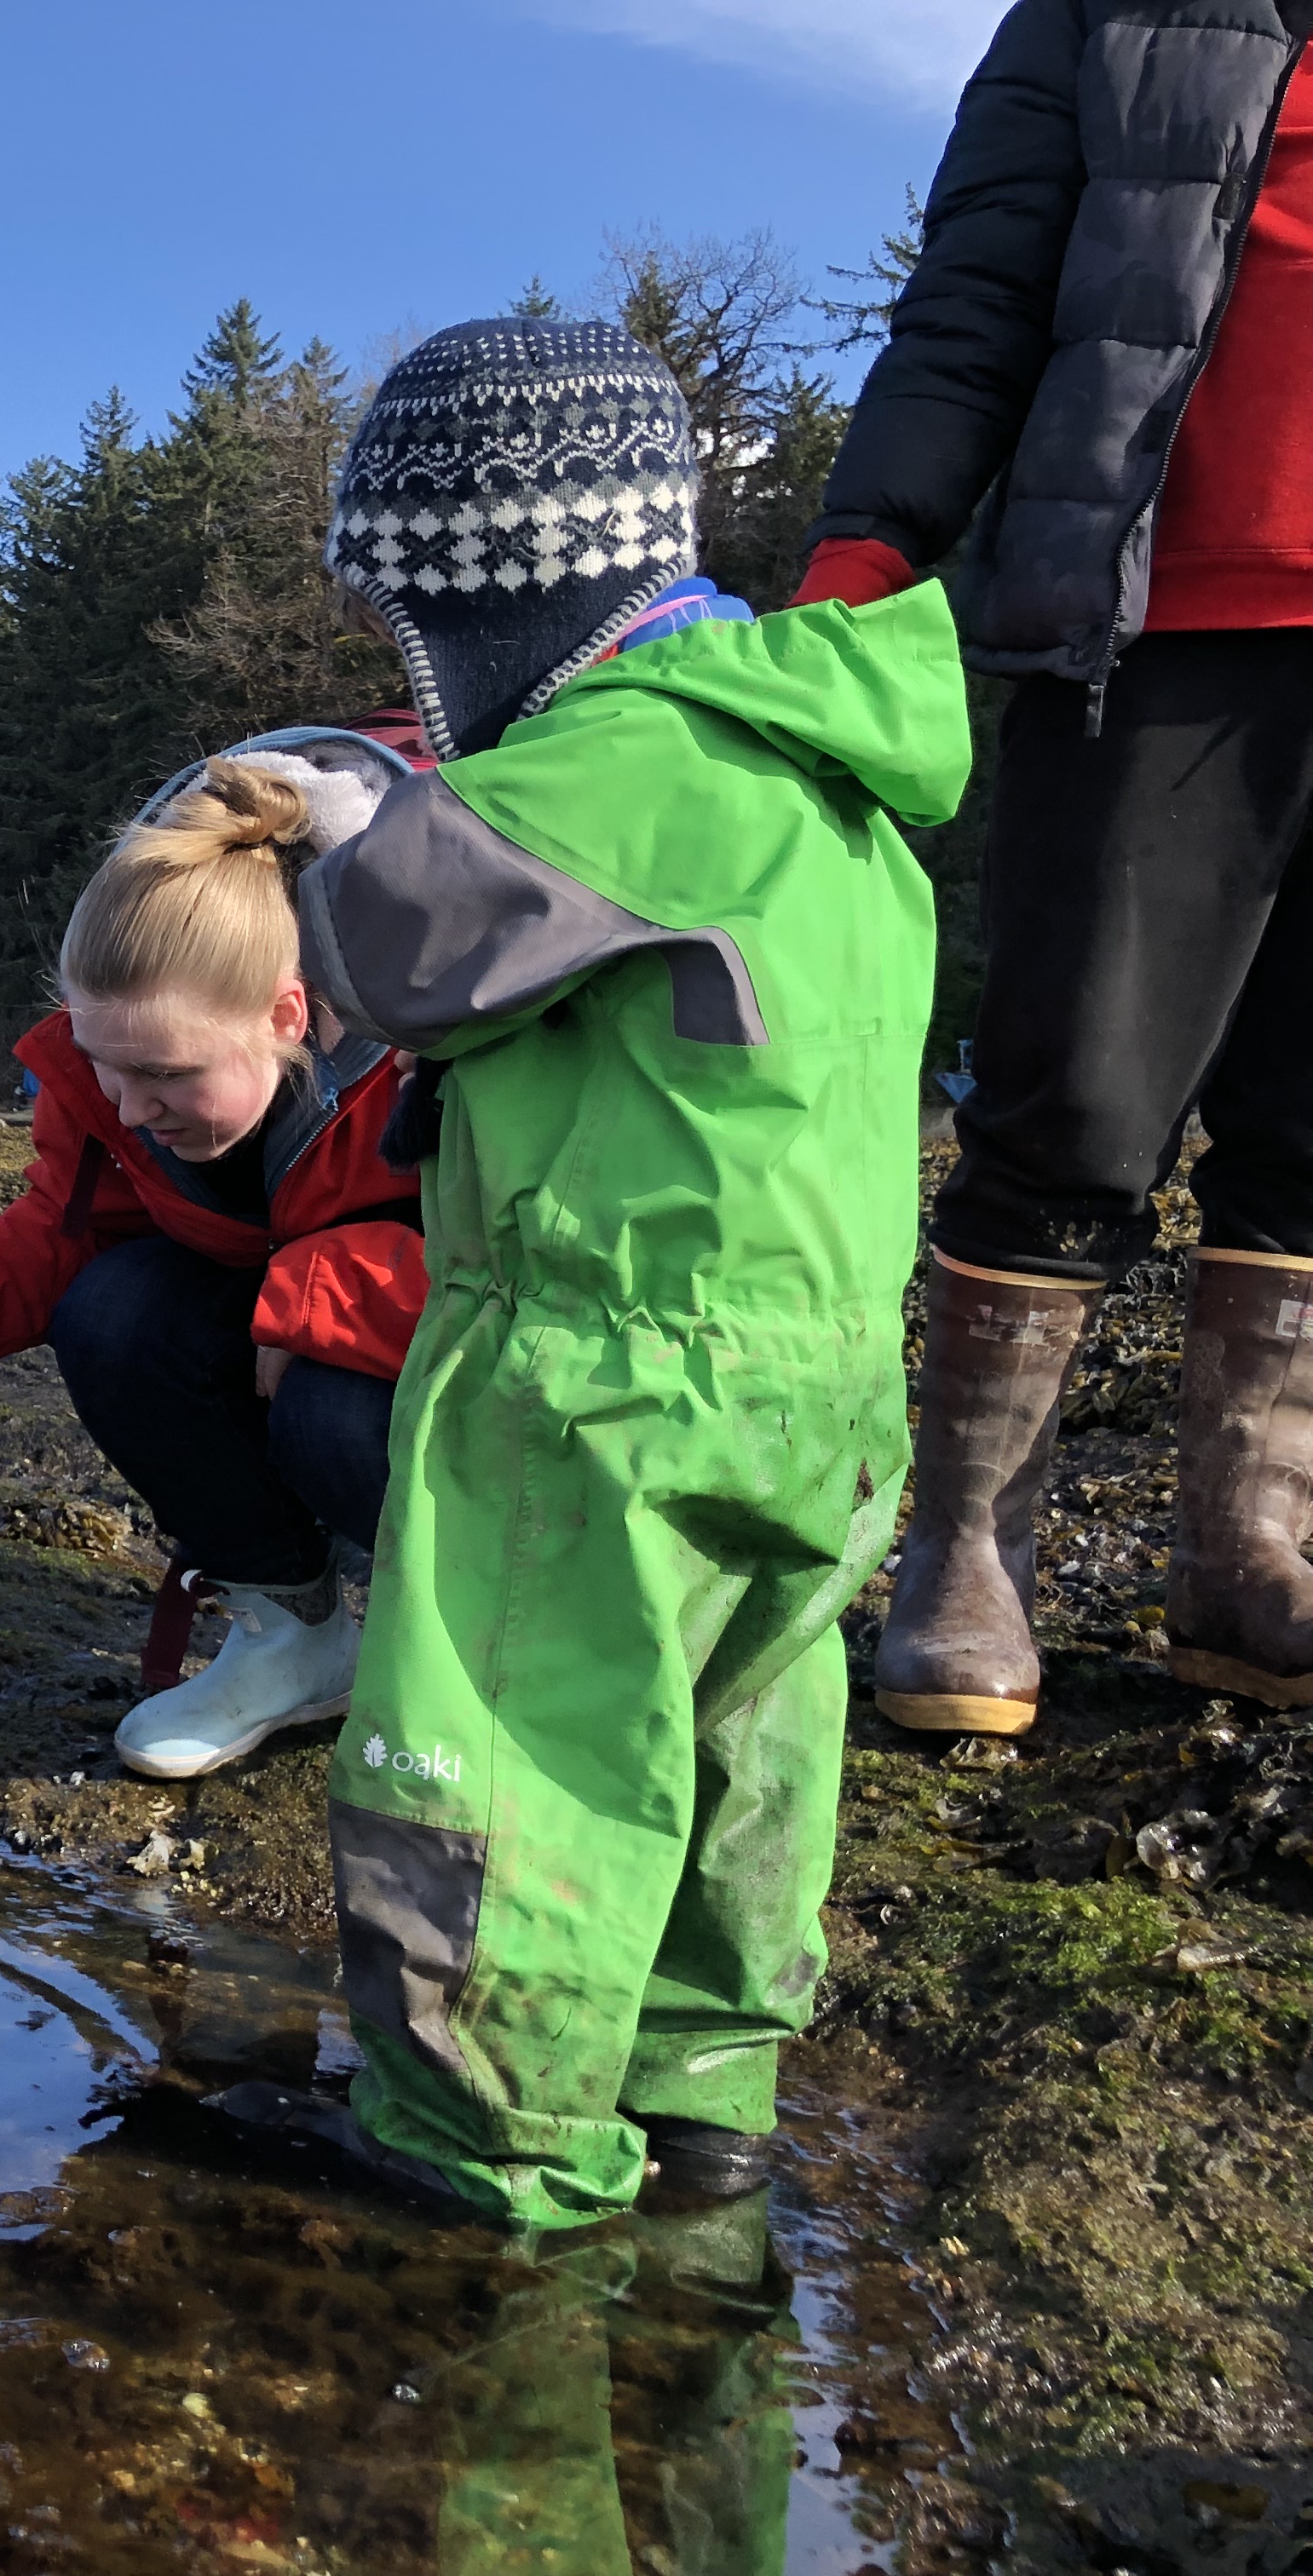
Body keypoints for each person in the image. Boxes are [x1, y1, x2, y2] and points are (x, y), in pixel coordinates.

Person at [213, 318, 965, 2229]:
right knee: (742, 1739)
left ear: (501, 585)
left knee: (516, 1752)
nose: (415, 671)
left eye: (411, 622)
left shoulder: (619, 754)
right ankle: (704, 2097)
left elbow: (395, 956)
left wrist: (316, 797)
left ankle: (483, 2145)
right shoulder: (822, 767)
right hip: (824, 1382)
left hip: (602, 1366)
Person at [797, 0, 1313, 1730]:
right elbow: (981, 294)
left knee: (1310, 1136)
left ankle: (1254, 1568)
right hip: (1164, 626)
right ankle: (965, 1557)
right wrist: (868, 548)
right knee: (1073, 1104)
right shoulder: (1112, 13)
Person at [0, 738, 429, 1780]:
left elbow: (535, 1270)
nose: (127, 1108)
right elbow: (65, 1235)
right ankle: (296, 1636)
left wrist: (313, 1296)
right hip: (285, 1328)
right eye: (104, 1064)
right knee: (115, 1311)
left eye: (163, 1074)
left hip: (428, 1377)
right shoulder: (111, 1084)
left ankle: (465, 1663)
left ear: (288, 1013)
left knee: (335, 1408)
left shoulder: (441, 1041)